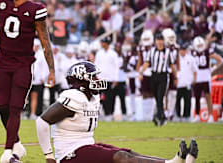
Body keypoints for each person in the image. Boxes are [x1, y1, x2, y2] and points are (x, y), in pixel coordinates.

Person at [36, 61, 198, 163]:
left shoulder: (92, 97)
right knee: (121, 158)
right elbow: (41, 122)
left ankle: (173, 161)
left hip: (85, 145)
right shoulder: (73, 97)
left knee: (128, 152)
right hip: (69, 155)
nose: (97, 81)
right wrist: (49, 156)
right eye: (93, 77)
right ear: (81, 80)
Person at [0, 0, 55, 163]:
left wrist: (52, 70)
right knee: (2, 106)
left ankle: (8, 151)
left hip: (22, 64)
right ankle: (17, 144)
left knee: (14, 108)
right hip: (2, 63)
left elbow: (45, 41)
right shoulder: (1, 4)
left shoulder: (35, 9)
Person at [139, 32, 178, 126]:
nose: (159, 42)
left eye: (161, 40)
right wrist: (141, 72)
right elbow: (147, 62)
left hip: (163, 76)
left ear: (163, 41)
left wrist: (175, 77)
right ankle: (160, 116)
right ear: (155, 41)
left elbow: (172, 65)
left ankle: (160, 117)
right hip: (154, 75)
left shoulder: (168, 52)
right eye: (158, 40)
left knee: (160, 97)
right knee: (156, 97)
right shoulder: (152, 51)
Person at [191, 36, 222, 123]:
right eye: (199, 45)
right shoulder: (192, 52)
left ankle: (211, 116)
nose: (200, 47)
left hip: (205, 76)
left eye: (201, 45)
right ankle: (197, 115)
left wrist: (212, 70)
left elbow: (219, 60)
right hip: (197, 76)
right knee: (197, 97)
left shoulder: (207, 51)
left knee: (208, 96)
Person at [94, 37, 119, 121]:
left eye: (103, 42)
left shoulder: (113, 54)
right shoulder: (99, 53)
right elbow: (96, 65)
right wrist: (96, 77)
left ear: (107, 43)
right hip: (101, 79)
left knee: (110, 97)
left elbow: (116, 67)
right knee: (101, 97)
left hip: (110, 79)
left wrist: (116, 79)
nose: (102, 44)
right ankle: (103, 113)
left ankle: (110, 114)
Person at [176, 43, 197, 122]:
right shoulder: (176, 58)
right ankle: (178, 115)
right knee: (178, 100)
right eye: (181, 50)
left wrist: (194, 79)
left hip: (187, 82)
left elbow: (194, 70)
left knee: (187, 100)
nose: (182, 52)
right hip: (179, 83)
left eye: (184, 50)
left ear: (186, 50)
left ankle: (186, 116)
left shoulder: (190, 59)